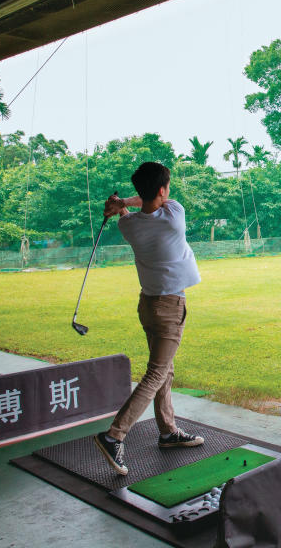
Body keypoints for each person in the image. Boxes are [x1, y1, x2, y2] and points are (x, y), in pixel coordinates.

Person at [94, 161, 204, 475]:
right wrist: (123, 204)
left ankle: (168, 431)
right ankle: (114, 436)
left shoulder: (127, 226)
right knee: (156, 373)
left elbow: (140, 206)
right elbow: (149, 202)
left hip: (148, 305)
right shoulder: (174, 216)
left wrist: (118, 207)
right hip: (169, 306)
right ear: (162, 190)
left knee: (164, 370)